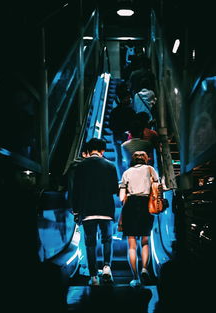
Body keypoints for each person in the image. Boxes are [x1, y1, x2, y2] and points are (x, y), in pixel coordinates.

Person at [72, 138, 119, 286]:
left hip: (87, 211)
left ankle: (94, 277)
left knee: (90, 243)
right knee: (107, 240)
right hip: (106, 209)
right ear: (102, 150)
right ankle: (106, 267)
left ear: (89, 149)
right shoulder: (110, 166)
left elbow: (76, 191)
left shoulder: (80, 166)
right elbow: (114, 190)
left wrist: (75, 211)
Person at [119, 151, 159, 287]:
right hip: (146, 205)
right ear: (146, 159)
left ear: (133, 160)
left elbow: (121, 197)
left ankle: (135, 277)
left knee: (131, 244)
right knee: (145, 241)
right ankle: (144, 269)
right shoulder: (150, 169)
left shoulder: (127, 172)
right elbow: (157, 188)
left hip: (130, 206)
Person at [109, 88, 136, 179]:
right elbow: (133, 125)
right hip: (127, 137)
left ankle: (121, 177)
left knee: (119, 157)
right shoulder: (131, 111)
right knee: (129, 157)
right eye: (127, 98)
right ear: (123, 99)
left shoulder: (114, 111)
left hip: (116, 137)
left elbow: (110, 126)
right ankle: (129, 177)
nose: (129, 100)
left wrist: (118, 131)